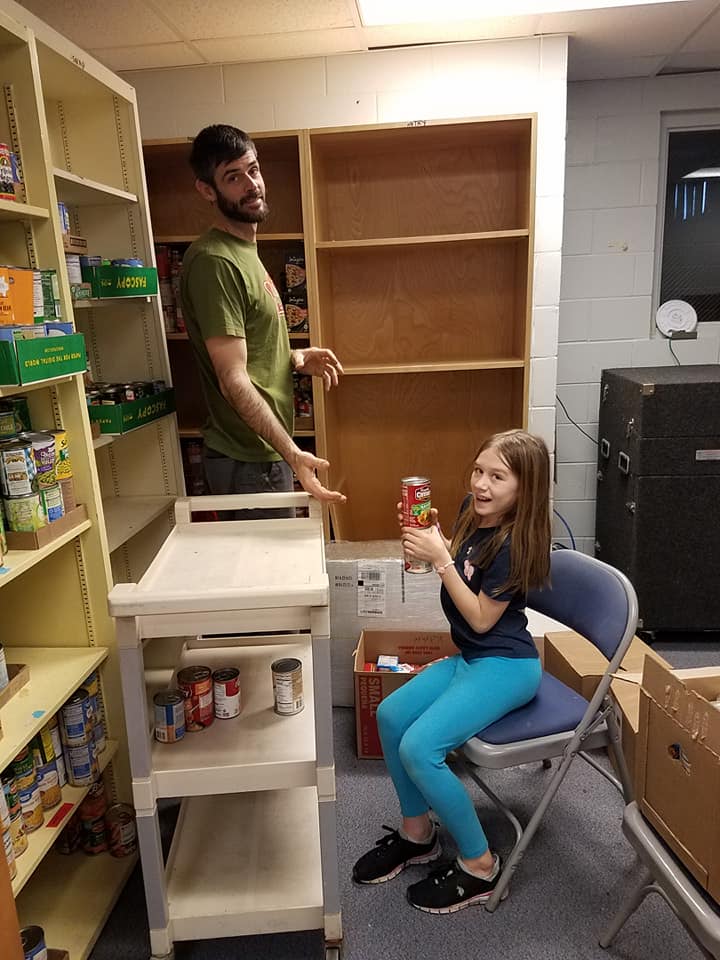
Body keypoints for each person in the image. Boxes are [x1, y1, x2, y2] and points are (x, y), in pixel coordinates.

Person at [352, 429, 551, 913]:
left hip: (507, 666)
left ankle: (481, 865)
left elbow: (482, 616)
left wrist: (440, 558)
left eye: (497, 477)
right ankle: (418, 835)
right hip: (473, 658)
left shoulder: (515, 545)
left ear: (526, 488)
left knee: (421, 748)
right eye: (479, 470)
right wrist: (439, 538)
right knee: (392, 715)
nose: (481, 484)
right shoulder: (472, 510)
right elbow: (462, 560)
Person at [180, 124, 346, 509]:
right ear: (208, 190)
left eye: (253, 170)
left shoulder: (243, 251)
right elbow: (232, 377)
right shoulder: (215, 261)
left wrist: (293, 359)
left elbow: (248, 351)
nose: (251, 185)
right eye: (232, 177)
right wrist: (292, 453)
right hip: (248, 463)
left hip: (262, 456)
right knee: (266, 571)